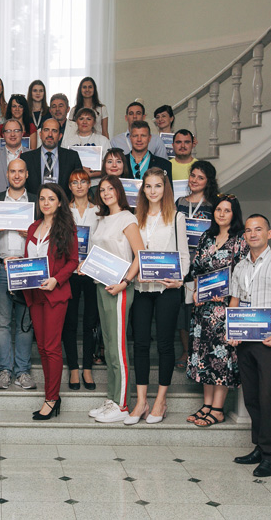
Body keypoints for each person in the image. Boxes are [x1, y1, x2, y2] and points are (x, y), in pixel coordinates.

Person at [229, 214, 271, 478]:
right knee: (252, 396)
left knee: (268, 396)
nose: (253, 234)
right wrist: (231, 330)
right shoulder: (240, 267)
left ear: (269, 234)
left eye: (258, 229)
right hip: (244, 337)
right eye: (248, 230)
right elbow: (235, 300)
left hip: (270, 338)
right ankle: (259, 447)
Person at [126, 168, 189, 425]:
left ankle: (161, 401)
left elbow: (183, 255)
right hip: (142, 289)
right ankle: (141, 402)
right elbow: (132, 254)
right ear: (143, 189)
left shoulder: (176, 217)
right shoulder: (135, 217)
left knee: (164, 345)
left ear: (165, 189)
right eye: (149, 186)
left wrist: (180, 279)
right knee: (140, 344)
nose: (153, 191)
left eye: (158, 186)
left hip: (167, 289)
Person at [186, 193, 249, 427]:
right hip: (203, 309)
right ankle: (206, 405)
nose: (221, 214)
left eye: (227, 210)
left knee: (220, 358)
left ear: (234, 214)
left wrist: (228, 299)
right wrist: (196, 292)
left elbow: (243, 275)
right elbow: (197, 270)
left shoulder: (240, 239)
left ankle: (218, 409)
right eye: (219, 210)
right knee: (204, 357)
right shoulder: (206, 236)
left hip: (225, 309)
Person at [87, 177, 144, 423]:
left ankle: (122, 404)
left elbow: (140, 254)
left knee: (118, 348)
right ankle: (112, 398)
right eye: (102, 190)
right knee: (109, 344)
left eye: (110, 189)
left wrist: (126, 281)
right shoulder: (100, 219)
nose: (106, 193)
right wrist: (86, 265)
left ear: (119, 191)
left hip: (120, 286)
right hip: (101, 284)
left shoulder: (127, 218)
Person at [22, 184, 79, 420]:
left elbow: (73, 261)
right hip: (34, 294)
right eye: (42, 198)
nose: (46, 203)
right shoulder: (32, 227)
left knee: (53, 348)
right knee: (43, 348)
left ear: (60, 202)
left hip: (55, 294)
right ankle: (51, 395)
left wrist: (56, 279)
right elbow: (30, 258)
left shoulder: (66, 227)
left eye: (51, 198)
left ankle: (52, 398)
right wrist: (17, 263)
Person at [0, 159, 36, 390]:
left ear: (27, 174)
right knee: (2, 323)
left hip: (27, 268)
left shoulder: (36, 201)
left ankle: (23, 372)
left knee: (25, 323)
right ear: (7, 174)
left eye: (21, 171)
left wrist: (31, 233)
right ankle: (4, 371)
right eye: (13, 171)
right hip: (2, 268)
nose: (17, 175)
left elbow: (48, 233)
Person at [174, 161, 218, 369]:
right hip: (183, 264)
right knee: (183, 310)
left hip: (205, 265)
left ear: (208, 181)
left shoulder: (214, 206)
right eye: (193, 175)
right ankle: (186, 351)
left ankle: (201, 351)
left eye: (200, 177)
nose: (195, 180)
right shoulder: (179, 202)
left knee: (201, 309)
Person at [62, 169, 100, 390]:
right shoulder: (63, 211)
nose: (79, 186)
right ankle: (74, 369)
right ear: (69, 186)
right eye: (74, 182)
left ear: (89, 185)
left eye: (83, 182)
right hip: (70, 271)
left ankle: (87, 368)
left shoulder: (99, 211)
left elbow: (103, 243)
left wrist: (89, 263)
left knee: (90, 322)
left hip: (93, 271)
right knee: (70, 322)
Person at [22, 118, 83, 195]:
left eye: (54, 131)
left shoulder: (72, 157)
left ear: (60, 136)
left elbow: (79, 185)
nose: (50, 134)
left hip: (64, 202)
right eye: (46, 130)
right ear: (40, 134)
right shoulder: (26, 158)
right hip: (35, 202)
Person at [61, 107, 111, 185]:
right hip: (74, 184)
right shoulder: (67, 142)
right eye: (81, 119)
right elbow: (63, 166)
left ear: (94, 122)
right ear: (76, 121)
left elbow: (110, 166)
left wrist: (93, 174)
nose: (84, 122)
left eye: (88, 119)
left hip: (97, 184)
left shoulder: (103, 140)